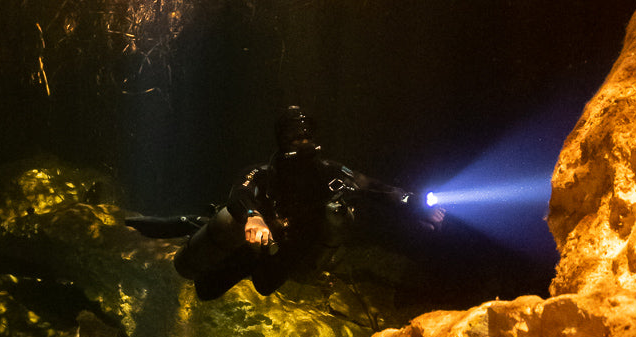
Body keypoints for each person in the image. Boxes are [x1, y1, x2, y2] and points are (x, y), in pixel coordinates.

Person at [173, 105, 443, 300]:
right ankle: (206, 234)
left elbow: (376, 188)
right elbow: (240, 192)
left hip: (291, 249)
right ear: (282, 141)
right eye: (294, 136)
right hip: (254, 242)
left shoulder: (331, 173)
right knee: (206, 290)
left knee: (265, 286)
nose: (302, 142)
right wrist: (253, 216)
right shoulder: (264, 172)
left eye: (306, 135)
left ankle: (250, 259)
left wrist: (415, 207)